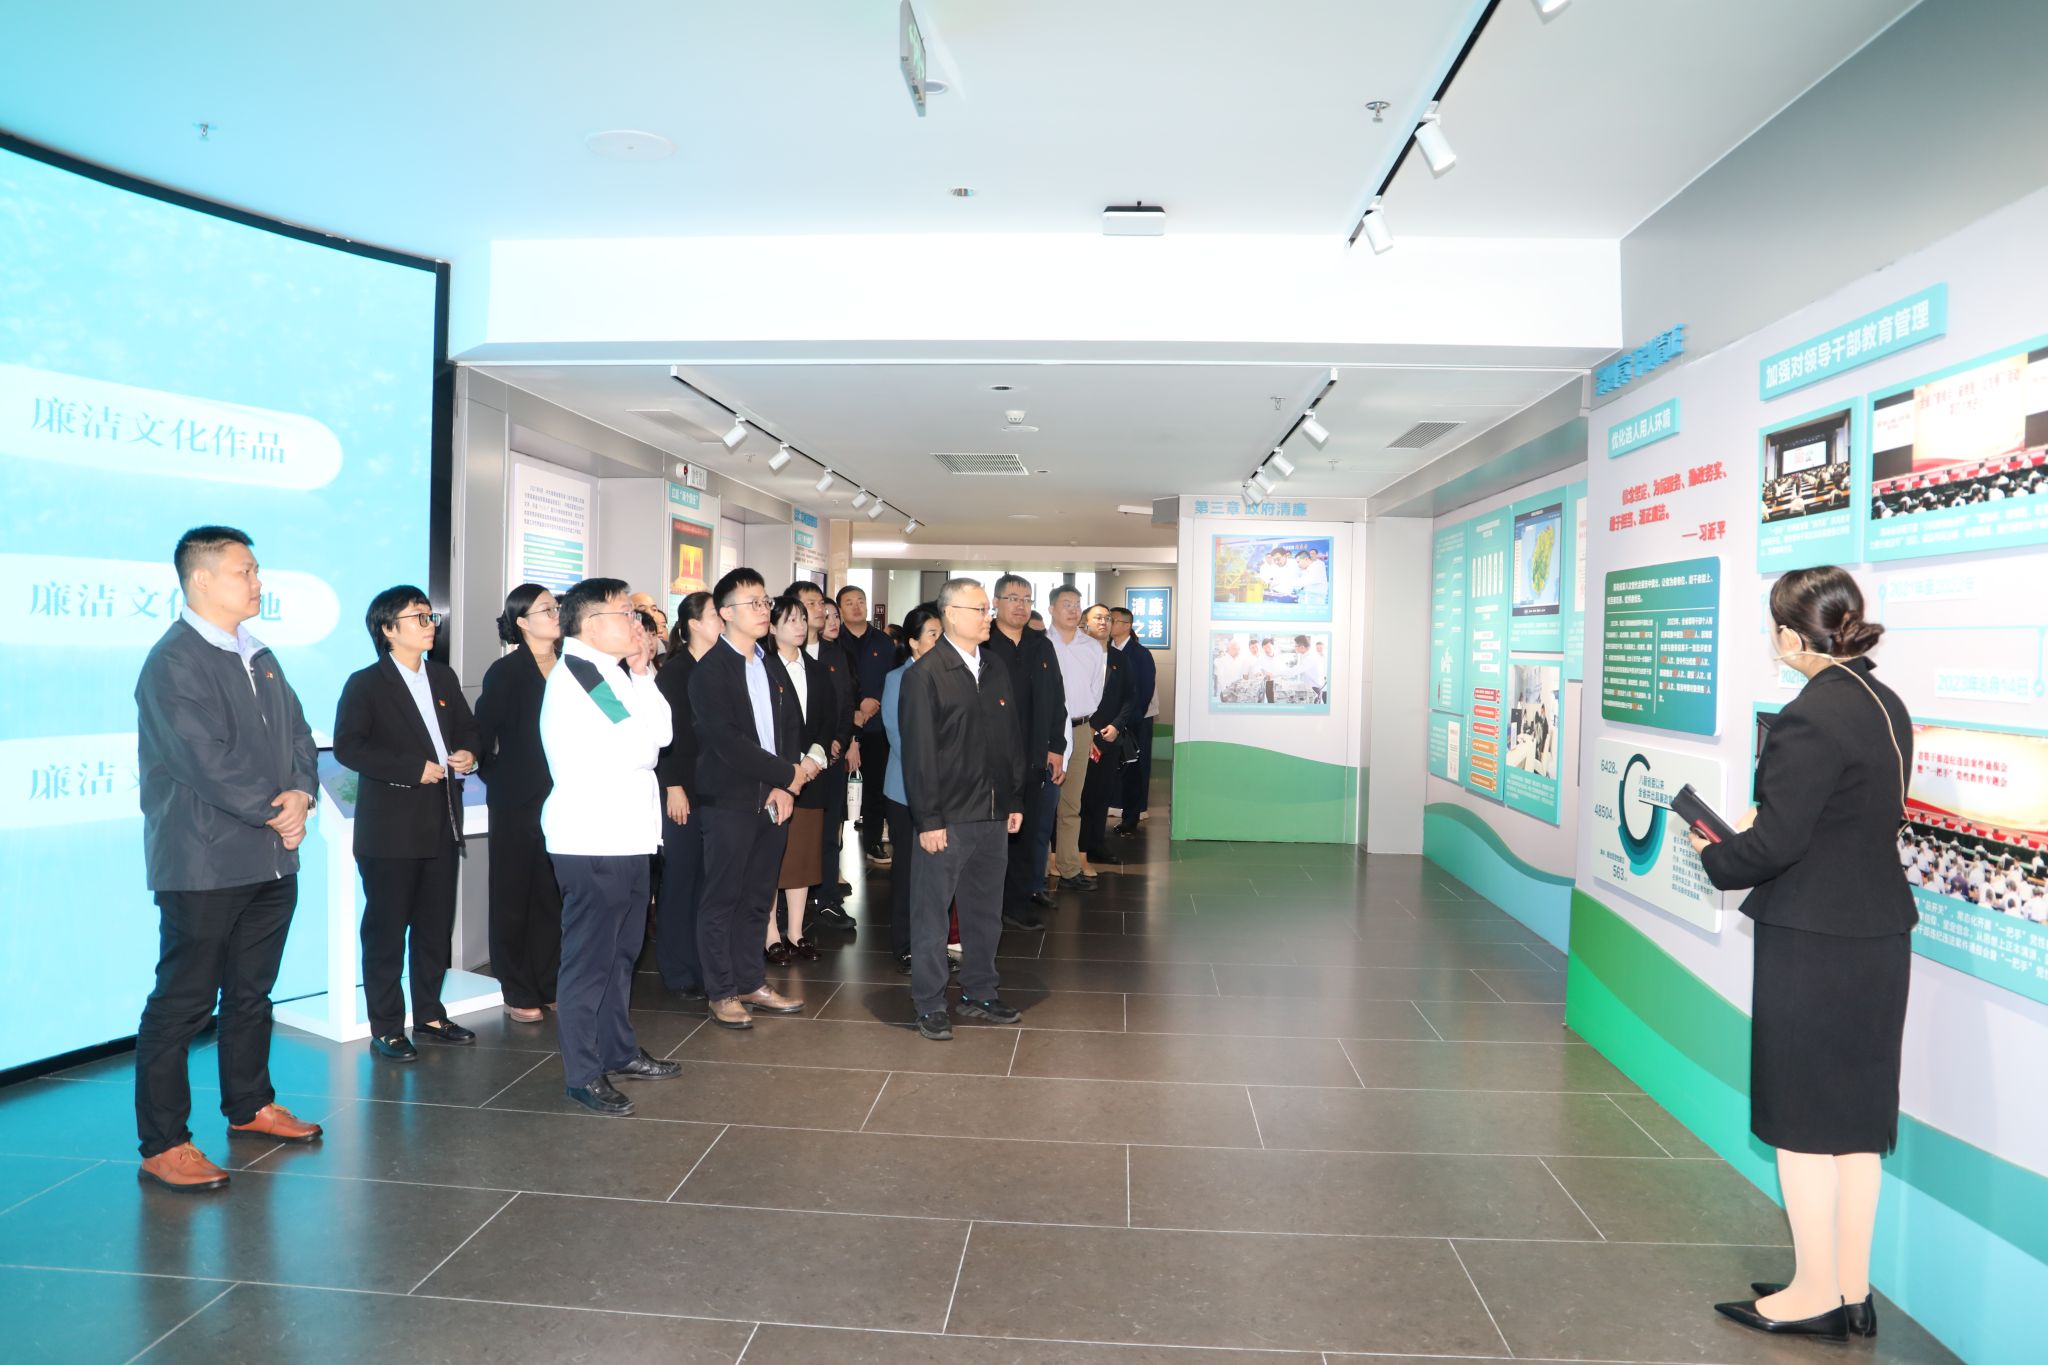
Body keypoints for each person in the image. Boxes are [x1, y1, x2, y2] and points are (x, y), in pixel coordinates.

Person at [1693, 565, 1914, 1343]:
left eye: (1773, 628)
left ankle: (1812, 1294)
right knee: (1854, 1124)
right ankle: (1851, 1289)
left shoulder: (1808, 716)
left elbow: (1778, 843)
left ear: (1791, 635)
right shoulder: (1884, 702)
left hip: (1815, 940)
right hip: (1878, 934)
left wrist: (1716, 851)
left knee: (1802, 1123)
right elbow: (1845, 819)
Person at [132, 526, 323, 1191]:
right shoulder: (173, 661)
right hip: (205, 863)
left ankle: (249, 1105)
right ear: (202, 579)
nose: (257, 582)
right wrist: (278, 809)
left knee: (251, 994)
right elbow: (201, 760)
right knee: (183, 1004)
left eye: (256, 570)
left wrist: (301, 792)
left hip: (270, 857)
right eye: (246, 571)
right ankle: (164, 1142)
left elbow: (300, 735)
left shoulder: (259, 654)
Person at [539, 577, 681, 1116]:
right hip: (593, 841)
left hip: (626, 837)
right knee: (590, 962)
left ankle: (618, 1050)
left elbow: (661, 733)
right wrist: (638, 687)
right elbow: (643, 748)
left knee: (621, 955)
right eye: (626, 612)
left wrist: (643, 672)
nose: (637, 623)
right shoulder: (583, 675)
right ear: (592, 624)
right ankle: (583, 1072)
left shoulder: (611, 673)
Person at [332, 586, 481, 1061]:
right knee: (387, 931)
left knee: (435, 927)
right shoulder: (366, 684)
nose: (430, 624)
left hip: (442, 820)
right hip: (391, 828)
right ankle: (387, 1026)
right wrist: (411, 769)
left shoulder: (442, 676)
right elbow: (349, 747)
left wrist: (469, 752)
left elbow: (468, 728)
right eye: (418, 617)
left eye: (430, 615)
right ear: (388, 629)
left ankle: (431, 1014)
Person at [899, 579, 1026, 1040]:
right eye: (980, 609)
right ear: (951, 614)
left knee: (985, 912)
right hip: (947, 818)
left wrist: (1013, 799)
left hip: (992, 813)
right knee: (932, 915)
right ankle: (930, 1002)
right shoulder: (925, 674)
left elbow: (1010, 738)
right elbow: (919, 755)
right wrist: (929, 819)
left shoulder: (994, 666)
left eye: (988, 608)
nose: (988, 616)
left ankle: (979, 991)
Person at [692, 569, 814, 1029]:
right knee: (723, 898)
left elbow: (789, 727)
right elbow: (729, 742)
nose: (764, 610)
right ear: (725, 613)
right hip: (729, 801)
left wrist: (785, 785)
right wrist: (786, 775)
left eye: (766, 602)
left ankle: (750, 981)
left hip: (773, 798)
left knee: (759, 897)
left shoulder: (769, 663)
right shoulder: (710, 671)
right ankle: (722, 991)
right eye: (754, 603)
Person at [476, 584, 564, 1024]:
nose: (556, 613)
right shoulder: (506, 672)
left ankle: (549, 982)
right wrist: (497, 776)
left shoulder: (575, 667)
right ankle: (516, 987)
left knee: (552, 892)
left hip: (565, 797)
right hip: (517, 799)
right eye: (546, 609)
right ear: (523, 622)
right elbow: (481, 734)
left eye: (556, 606)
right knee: (513, 894)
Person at [985, 575, 1067, 925]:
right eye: (1013, 598)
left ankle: (1016, 904)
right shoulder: (983, 643)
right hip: (990, 760)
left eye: (1026, 599)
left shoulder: (1041, 645)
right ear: (996, 602)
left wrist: (1056, 746)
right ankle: (989, 906)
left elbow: (1057, 698)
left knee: (1025, 832)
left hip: (1033, 758)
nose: (1020, 606)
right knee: (992, 836)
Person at [652, 590, 719, 999]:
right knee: (680, 880)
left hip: (713, 790)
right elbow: (668, 738)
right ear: (693, 623)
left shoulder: (718, 666)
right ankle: (677, 969)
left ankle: (701, 964)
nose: (721, 620)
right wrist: (673, 786)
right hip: (683, 790)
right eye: (714, 614)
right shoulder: (675, 672)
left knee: (705, 882)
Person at [764, 595, 834, 963]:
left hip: (812, 774)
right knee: (771, 857)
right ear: (772, 626)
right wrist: (789, 768)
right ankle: (770, 934)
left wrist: (814, 759)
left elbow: (828, 720)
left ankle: (795, 932)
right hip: (775, 776)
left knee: (803, 856)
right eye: (791, 620)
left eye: (803, 619)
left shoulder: (818, 670)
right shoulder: (762, 667)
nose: (800, 626)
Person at [793, 583, 859, 933]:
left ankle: (827, 899)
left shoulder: (835, 654)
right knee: (795, 836)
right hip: (794, 763)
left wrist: (839, 740)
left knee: (830, 832)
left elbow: (846, 705)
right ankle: (788, 908)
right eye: (811, 603)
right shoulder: (779, 653)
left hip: (830, 759)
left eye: (820, 603)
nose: (819, 609)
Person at [881, 604, 942, 971]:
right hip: (907, 791)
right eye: (933, 634)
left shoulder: (948, 675)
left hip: (945, 792)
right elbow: (899, 737)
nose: (940, 640)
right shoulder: (898, 678)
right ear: (914, 642)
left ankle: (932, 945)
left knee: (937, 874)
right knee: (908, 872)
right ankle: (904, 944)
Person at [1045, 586, 1104, 891]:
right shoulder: (1040, 644)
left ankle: (1069, 868)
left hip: (1079, 729)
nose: (1073, 610)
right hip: (1046, 731)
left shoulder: (1092, 647)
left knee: (1071, 804)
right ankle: (1038, 869)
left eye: (1077, 604)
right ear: (1052, 608)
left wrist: (1084, 721)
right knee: (1041, 803)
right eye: (1066, 604)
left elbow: (1096, 690)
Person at [836, 585, 897, 869]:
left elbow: (892, 680)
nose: (856, 606)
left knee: (875, 789)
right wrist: (856, 709)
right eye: (849, 602)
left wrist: (873, 705)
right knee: (838, 792)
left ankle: (873, 842)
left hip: (877, 727)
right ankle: (834, 849)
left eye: (861, 600)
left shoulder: (883, 642)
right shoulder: (834, 640)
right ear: (840, 609)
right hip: (842, 727)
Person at [1079, 603, 1134, 866]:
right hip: (1080, 734)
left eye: (1108, 618)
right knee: (1078, 796)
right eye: (1098, 618)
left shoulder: (1120, 659)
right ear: (1085, 622)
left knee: (1101, 793)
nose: (1104, 622)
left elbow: (1129, 697)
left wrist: (1116, 726)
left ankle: (1096, 844)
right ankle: (1073, 847)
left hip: (1108, 737)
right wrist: (1086, 728)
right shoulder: (1075, 655)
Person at [1109, 606, 1157, 836]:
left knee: (1133, 770)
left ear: (1127, 626)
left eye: (1113, 620)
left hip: (1134, 723)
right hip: (1109, 723)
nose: (1108, 623)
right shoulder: (1105, 649)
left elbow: (1144, 691)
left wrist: (1127, 720)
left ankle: (1131, 818)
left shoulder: (1140, 654)